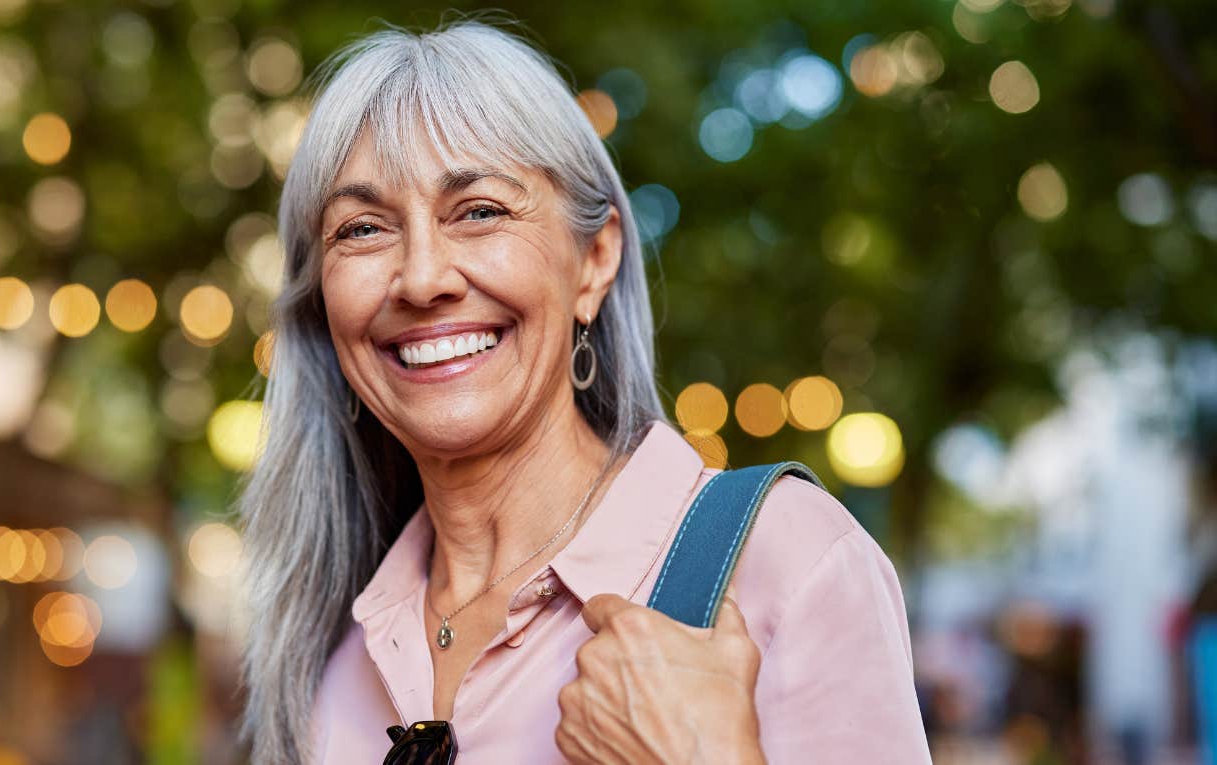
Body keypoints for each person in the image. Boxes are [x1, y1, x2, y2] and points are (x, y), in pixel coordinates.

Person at [234, 15, 930, 765]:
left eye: (480, 211)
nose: (423, 278)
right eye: (363, 229)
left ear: (595, 260)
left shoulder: (793, 561)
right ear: (322, 303)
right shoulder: (331, 658)